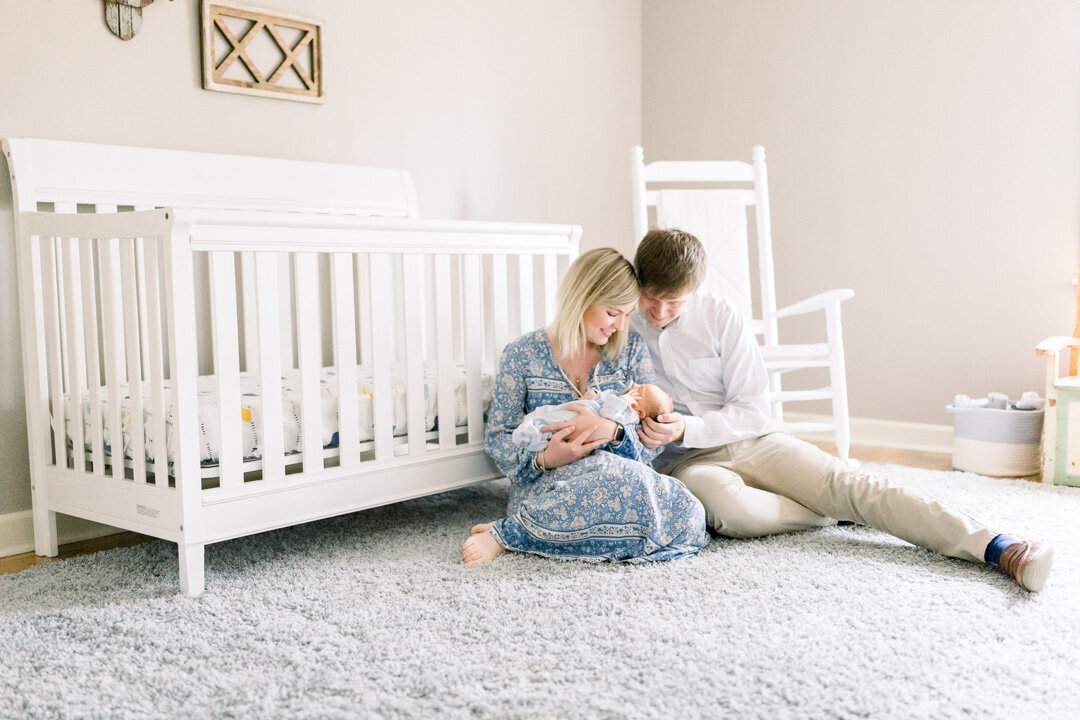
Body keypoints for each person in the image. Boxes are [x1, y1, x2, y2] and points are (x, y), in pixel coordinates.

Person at [628, 227, 1054, 592]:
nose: (660, 312)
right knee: (723, 509)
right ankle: (833, 515)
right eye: (651, 299)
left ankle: (999, 547)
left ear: (695, 291)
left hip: (750, 438)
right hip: (685, 462)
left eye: (675, 302)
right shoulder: (621, 323)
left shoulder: (721, 316)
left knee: (852, 486)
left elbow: (752, 407)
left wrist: (689, 425)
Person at [462, 248, 709, 566]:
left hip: (622, 476)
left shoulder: (631, 350)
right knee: (597, 490)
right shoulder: (522, 354)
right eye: (612, 313)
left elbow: (650, 446)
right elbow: (498, 436)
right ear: (581, 298)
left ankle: (536, 534)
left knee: (690, 513)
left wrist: (615, 431)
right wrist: (544, 458)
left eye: (626, 314)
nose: (620, 326)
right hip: (555, 488)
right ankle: (507, 533)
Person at [511, 383, 674, 452]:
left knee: (556, 425)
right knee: (553, 416)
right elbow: (602, 403)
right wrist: (593, 396)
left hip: (582, 424)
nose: (635, 385)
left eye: (641, 390)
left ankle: (532, 433)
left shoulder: (629, 415)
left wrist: (621, 401)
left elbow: (607, 416)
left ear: (641, 413)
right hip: (581, 413)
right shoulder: (622, 403)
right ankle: (534, 425)